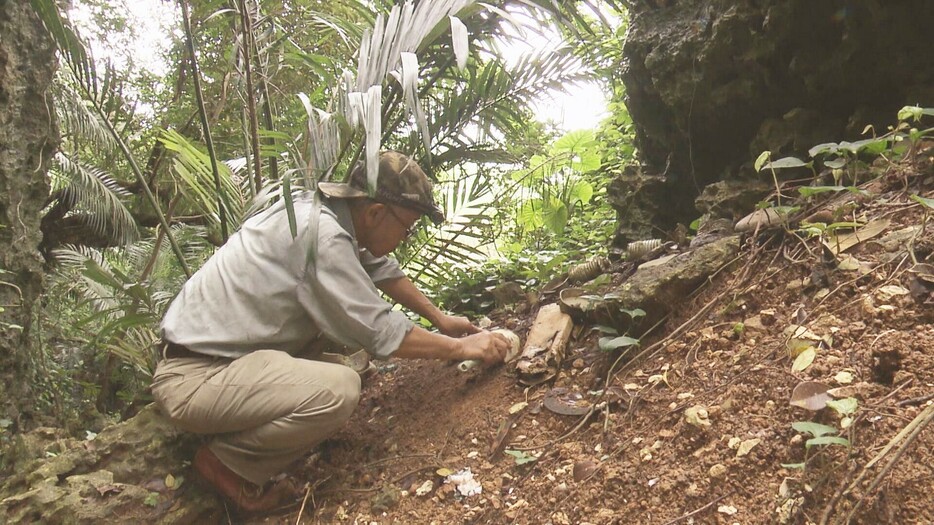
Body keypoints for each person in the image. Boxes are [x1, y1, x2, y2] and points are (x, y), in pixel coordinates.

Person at [151, 151, 509, 512]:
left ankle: (241, 434)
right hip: (196, 377)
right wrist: (462, 348)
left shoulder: (323, 214)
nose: (406, 236)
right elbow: (381, 332)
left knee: (341, 362)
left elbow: (379, 265)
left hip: (219, 358)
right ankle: (227, 465)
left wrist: (441, 319)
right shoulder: (322, 238)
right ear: (375, 213)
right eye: (408, 226)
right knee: (338, 390)